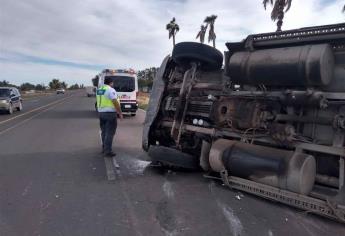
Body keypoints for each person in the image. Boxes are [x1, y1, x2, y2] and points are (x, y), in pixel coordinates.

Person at [96, 77, 123, 157]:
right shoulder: (110, 90)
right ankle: (107, 151)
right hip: (110, 114)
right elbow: (115, 101)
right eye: (112, 83)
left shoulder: (100, 90)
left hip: (101, 113)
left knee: (104, 132)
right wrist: (120, 113)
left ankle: (104, 148)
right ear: (111, 82)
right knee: (110, 133)